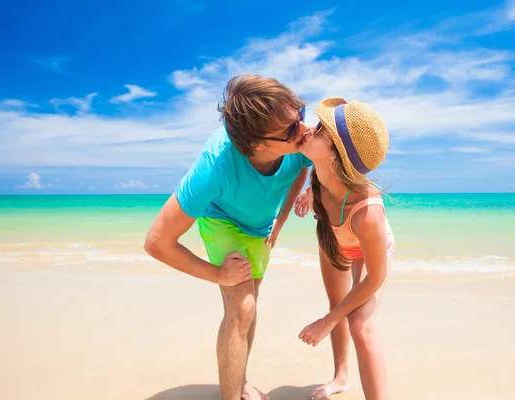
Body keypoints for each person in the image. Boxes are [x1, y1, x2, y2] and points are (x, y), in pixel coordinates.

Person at [144, 74, 312, 400]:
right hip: (221, 220)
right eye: (292, 129)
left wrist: (280, 221)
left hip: (261, 225)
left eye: (300, 116)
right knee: (242, 306)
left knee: (250, 304)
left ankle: (240, 380)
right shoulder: (214, 168)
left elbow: (304, 167)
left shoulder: (299, 140)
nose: (304, 130)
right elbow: (157, 241)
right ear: (258, 145)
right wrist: (218, 275)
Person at [294, 98, 393, 400]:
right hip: (334, 243)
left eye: (321, 130)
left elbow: (374, 279)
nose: (310, 129)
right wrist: (308, 195)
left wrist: (327, 322)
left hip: (367, 251)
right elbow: (321, 185)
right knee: (336, 303)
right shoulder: (322, 179)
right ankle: (340, 377)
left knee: (359, 324)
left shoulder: (367, 212)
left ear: (336, 156)